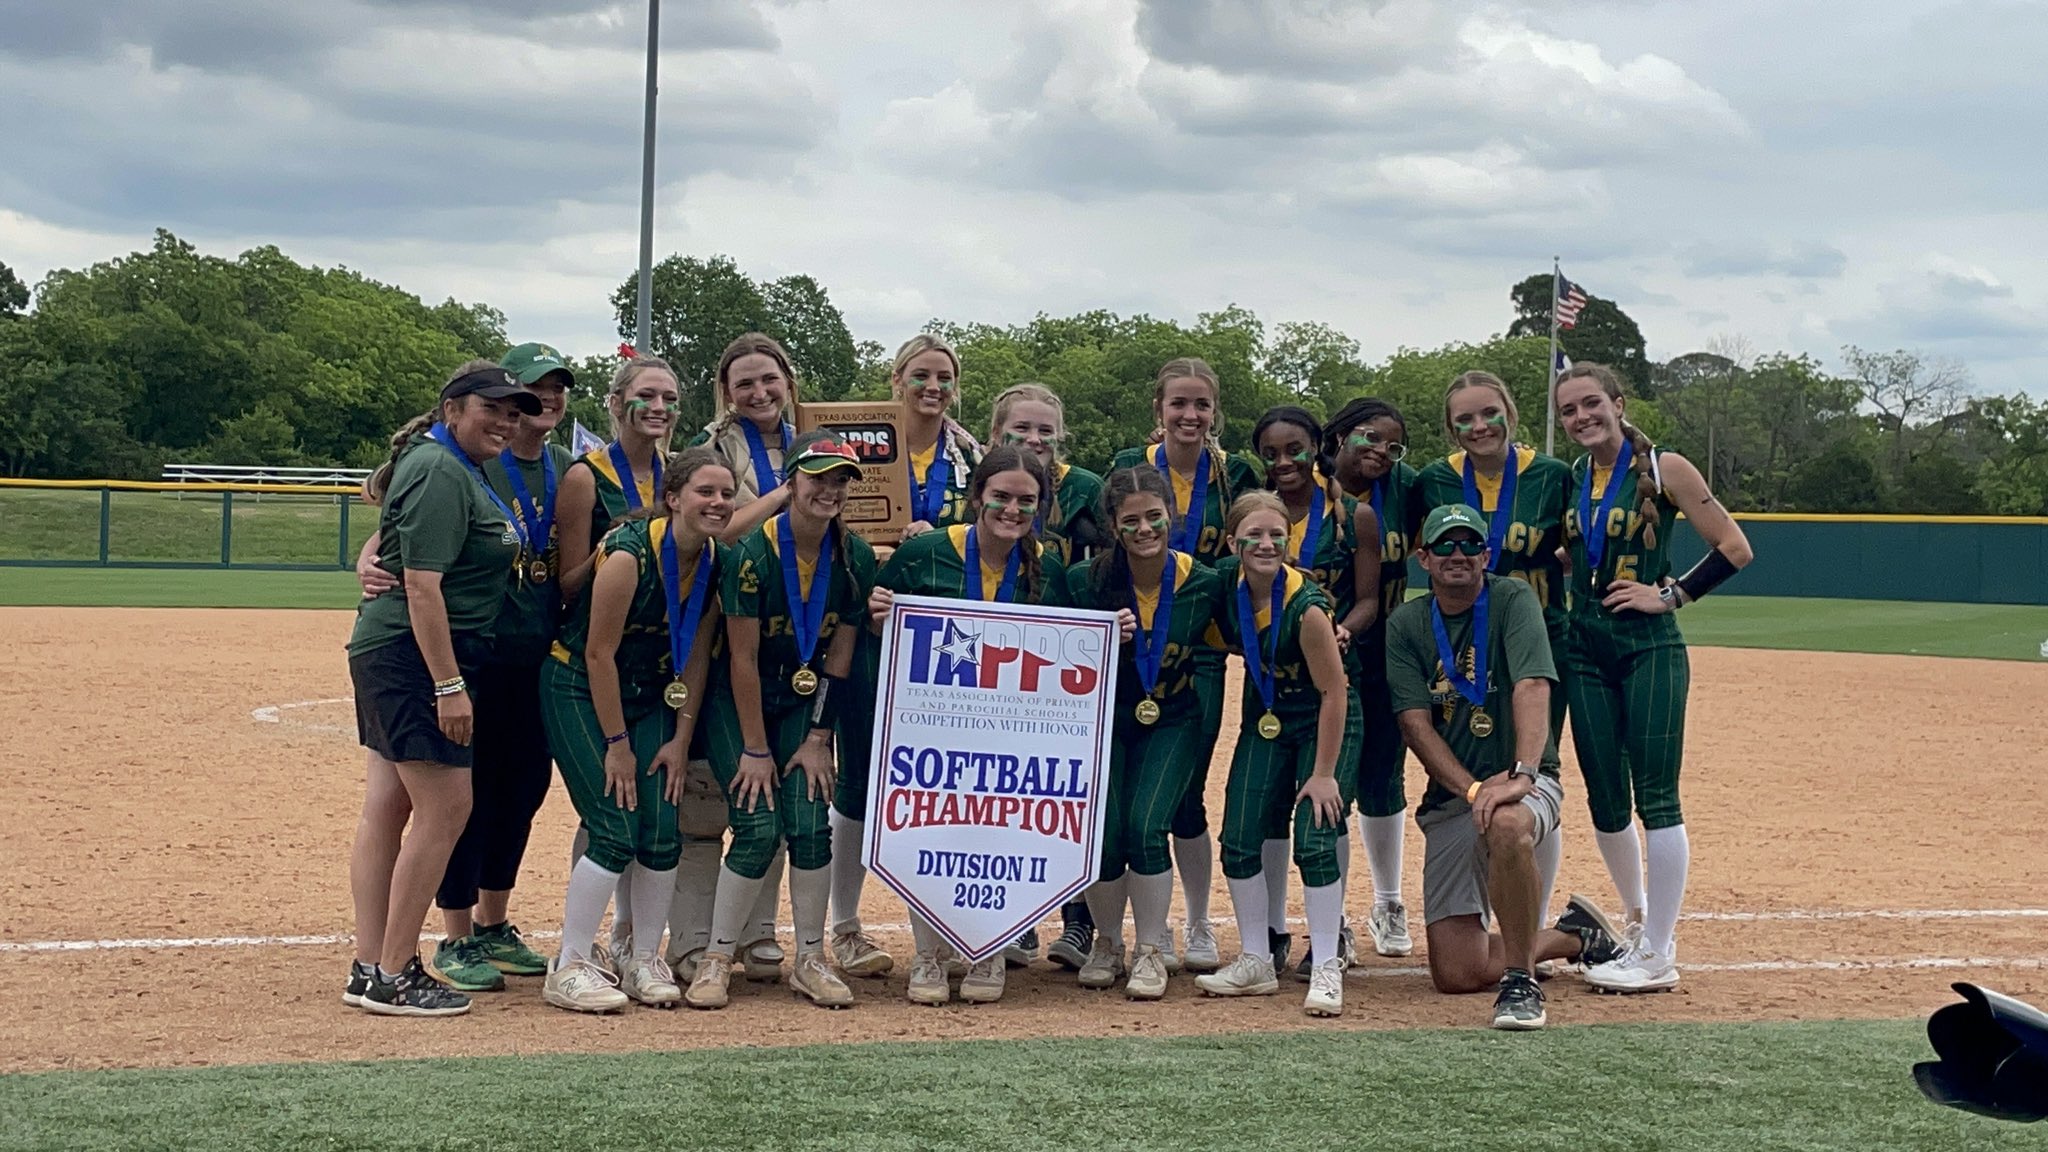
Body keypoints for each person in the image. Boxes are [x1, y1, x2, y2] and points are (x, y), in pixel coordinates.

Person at [354, 343, 575, 993]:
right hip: (415, 654)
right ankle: (394, 970)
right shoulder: (441, 468)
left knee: (390, 805)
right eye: (493, 409)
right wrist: (449, 686)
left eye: (515, 412)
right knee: (448, 805)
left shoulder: (457, 465)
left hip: (411, 651)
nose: (505, 422)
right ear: (452, 409)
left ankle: (372, 966)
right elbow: (421, 584)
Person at [1384, 504, 1626, 1030]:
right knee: (1456, 972)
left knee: (1509, 822)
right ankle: (1574, 936)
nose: (1458, 555)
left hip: (1526, 778)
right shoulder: (1406, 623)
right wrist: (1473, 790)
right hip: (1456, 795)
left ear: (1486, 554)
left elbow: (1532, 684)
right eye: (1444, 545)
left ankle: (1520, 981)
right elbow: (1415, 724)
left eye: (1470, 544)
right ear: (1422, 557)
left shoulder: (1512, 598)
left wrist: (1522, 774)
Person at [1555, 363, 1753, 994]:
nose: (1582, 417)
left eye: (1592, 404)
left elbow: (1735, 548)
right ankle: (1638, 926)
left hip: (1648, 647)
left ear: (1618, 403)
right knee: (1606, 797)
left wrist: (1667, 596)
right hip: (1583, 643)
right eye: (1569, 411)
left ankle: (1660, 949)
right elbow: (1576, 552)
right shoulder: (1573, 478)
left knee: (1656, 798)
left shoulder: (1666, 467)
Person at [866, 446, 1071, 1005]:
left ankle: (986, 949)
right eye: (1000, 496)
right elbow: (877, 624)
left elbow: (1071, 646)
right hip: (931, 726)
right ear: (978, 495)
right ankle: (929, 955)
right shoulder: (926, 553)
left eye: (1026, 500)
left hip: (1012, 732)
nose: (1012, 509)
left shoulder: (1047, 568)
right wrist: (881, 614)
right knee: (933, 827)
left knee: (997, 829)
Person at [686, 434, 877, 1010]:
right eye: (817, 477)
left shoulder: (855, 556)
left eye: (841, 479)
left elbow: (839, 654)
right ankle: (717, 958)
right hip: (737, 701)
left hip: (802, 703)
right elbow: (740, 659)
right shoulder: (751, 554)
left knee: (810, 824)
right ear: (791, 482)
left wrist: (820, 737)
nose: (829, 489)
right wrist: (754, 748)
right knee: (759, 826)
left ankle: (812, 957)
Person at [537, 449, 733, 1012]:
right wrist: (617, 747)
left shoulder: (715, 559)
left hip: (650, 698)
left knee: (662, 828)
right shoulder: (627, 554)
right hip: (578, 684)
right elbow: (598, 654)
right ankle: (570, 962)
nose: (717, 503)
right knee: (614, 826)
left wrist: (680, 737)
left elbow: (697, 652)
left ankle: (644, 955)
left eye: (725, 494)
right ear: (673, 498)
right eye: (705, 492)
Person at [1107, 358, 1258, 975]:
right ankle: (1139, 931)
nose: (1190, 415)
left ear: (1214, 411)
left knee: (1187, 793)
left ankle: (1197, 923)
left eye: (1201, 404)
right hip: (1132, 638)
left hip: (1199, 639)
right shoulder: (1129, 467)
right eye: (1179, 404)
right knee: (1125, 792)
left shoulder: (1234, 473)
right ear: (1158, 410)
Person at [1191, 492, 1360, 1017]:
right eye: (1254, 535)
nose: (1265, 544)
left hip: (1323, 723)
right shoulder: (1225, 584)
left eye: (1276, 535)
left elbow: (1336, 692)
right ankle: (1257, 959)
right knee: (1239, 837)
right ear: (1232, 542)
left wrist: (1325, 773)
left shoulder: (1307, 608)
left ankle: (1329, 962)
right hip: (1267, 720)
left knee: (1314, 837)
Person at [1415, 371, 1573, 919]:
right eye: (1464, 418)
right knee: (1474, 758)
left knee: (1534, 773)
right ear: (1450, 427)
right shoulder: (1434, 480)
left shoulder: (1552, 475)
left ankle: (1532, 914)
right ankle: (1488, 909)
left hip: (1539, 641)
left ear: (1511, 412)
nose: (1478, 426)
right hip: (1460, 646)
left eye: (1489, 413)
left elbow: (1580, 543)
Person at [1063, 467, 1225, 998]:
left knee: (1147, 823)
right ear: (1112, 523)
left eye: (1154, 516)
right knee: (1104, 831)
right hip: (1102, 719)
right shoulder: (1084, 581)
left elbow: (1257, 620)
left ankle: (1151, 946)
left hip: (1173, 718)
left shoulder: (1202, 581)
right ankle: (1108, 940)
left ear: (1170, 516)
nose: (1144, 528)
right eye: (1130, 520)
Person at [1254, 405, 1379, 979]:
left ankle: (1336, 935)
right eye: (1272, 452)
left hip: (1332, 669)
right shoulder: (1260, 516)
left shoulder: (1354, 516)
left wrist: (1344, 629)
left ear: (1316, 448)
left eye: (1295, 449)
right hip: (1273, 683)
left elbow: (1371, 597)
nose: (1284, 462)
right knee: (1268, 807)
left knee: (1328, 805)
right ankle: (1273, 933)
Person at [989, 381, 1107, 969]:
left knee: (1058, 791)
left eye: (1045, 432)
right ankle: (1015, 919)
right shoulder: (980, 482)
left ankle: (1079, 921)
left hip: (1059, 660)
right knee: (1003, 792)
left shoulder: (1084, 488)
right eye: (1021, 431)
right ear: (997, 435)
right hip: (990, 662)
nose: (1034, 440)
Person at [1323, 397, 1422, 960]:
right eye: (1368, 436)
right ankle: (1327, 910)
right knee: (1327, 783)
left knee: (1384, 779)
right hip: (1315, 657)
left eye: (1392, 444)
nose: (1380, 451)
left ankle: (1387, 901)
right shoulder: (1304, 489)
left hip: (1386, 649)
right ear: (1338, 437)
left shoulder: (1407, 487)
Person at [892, 334, 982, 540]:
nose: (933, 386)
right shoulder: (869, 449)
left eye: (944, 378)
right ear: (898, 380)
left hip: (950, 570)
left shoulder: (970, 458)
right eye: (921, 376)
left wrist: (938, 538)